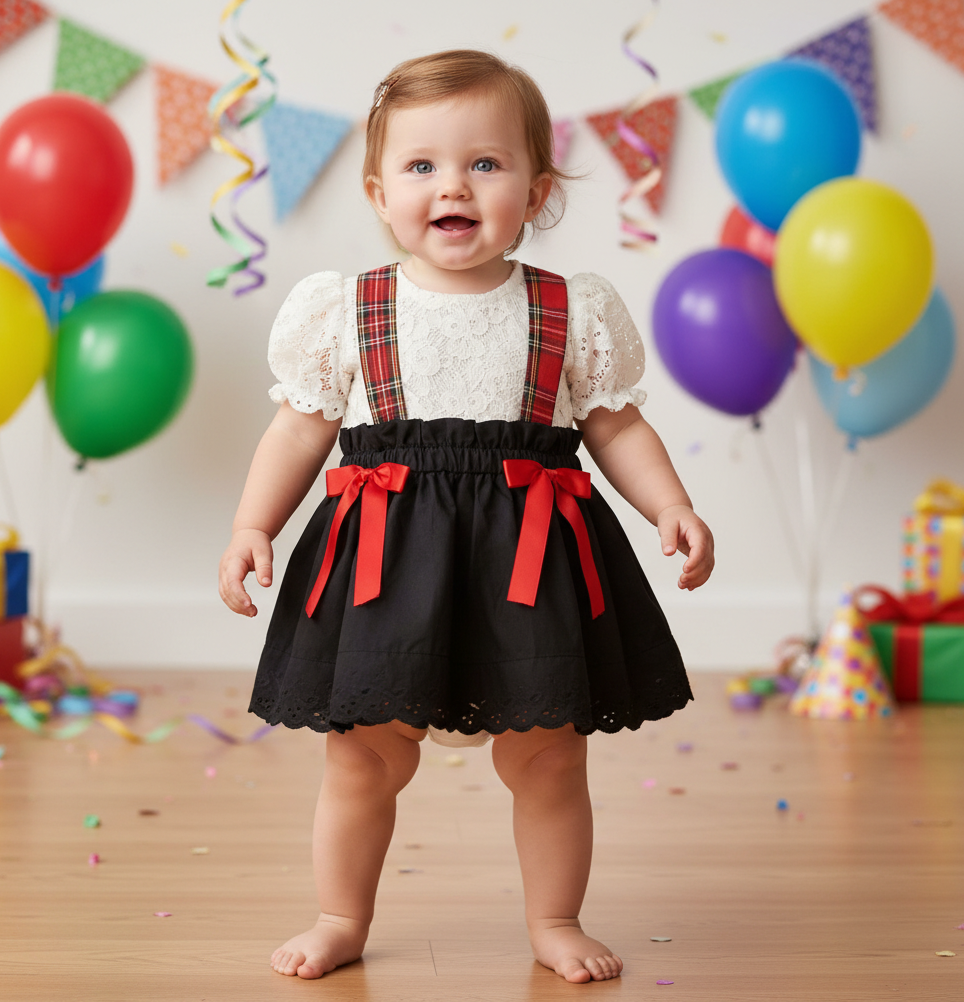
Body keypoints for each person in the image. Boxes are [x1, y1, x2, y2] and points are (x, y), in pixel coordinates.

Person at [219, 49, 714, 985]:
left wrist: (671, 504)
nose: (453, 185)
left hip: (529, 563)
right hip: (386, 564)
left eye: (486, 163)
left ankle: (556, 918)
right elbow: (298, 430)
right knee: (362, 759)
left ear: (536, 193)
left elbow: (615, 425)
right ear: (379, 194)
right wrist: (255, 525)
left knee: (550, 759)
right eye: (422, 166)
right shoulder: (348, 309)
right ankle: (340, 915)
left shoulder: (566, 309)